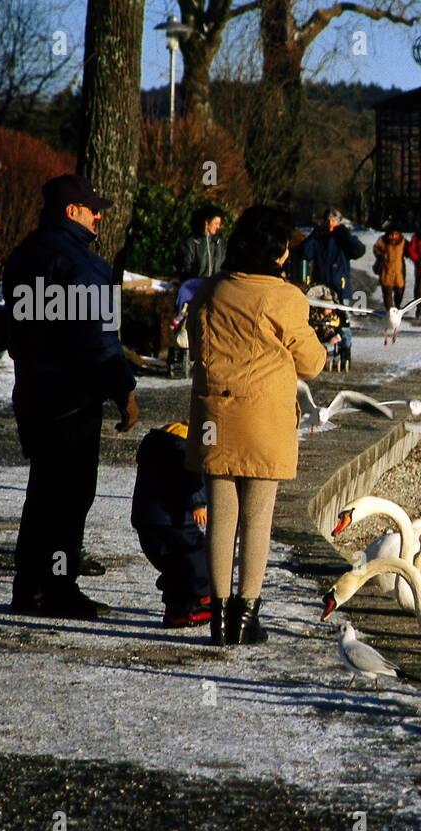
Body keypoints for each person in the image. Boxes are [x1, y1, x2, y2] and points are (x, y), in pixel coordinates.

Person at [186, 206, 327, 646]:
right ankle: (246, 617)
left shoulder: (209, 292)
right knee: (257, 518)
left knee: (221, 516)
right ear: (276, 250)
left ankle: (219, 620)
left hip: (216, 415)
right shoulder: (285, 298)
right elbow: (314, 363)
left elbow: (195, 347)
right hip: (265, 419)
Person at [4, 173, 138, 617]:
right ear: (71, 211)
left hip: (33, 392)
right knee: (70, 497)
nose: (99, 214)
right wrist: (123, 388)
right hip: (73, 399)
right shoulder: (85, 266)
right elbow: (98, 338)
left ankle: (30, 587)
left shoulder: (22, 257)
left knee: (43, 492)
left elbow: (17, 331)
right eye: (92, 208)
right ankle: (59, 588)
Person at [132, 422, 211, 628]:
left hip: (146, 522)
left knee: (173, 568)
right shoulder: (182, 448)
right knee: (197, 557)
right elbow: (192, 477)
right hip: (176, 523)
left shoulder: (153, 447)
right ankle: (201, 602)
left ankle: (176, 612)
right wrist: (198, 504)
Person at [298, 208, 365, 304]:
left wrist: (348, 237)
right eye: (327, 221)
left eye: (333, 221)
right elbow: (305, 254)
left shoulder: (344, 239)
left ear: (338, 222)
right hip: (319, 288)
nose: (330, 224)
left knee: (342, 316)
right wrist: (312, 236)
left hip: (340, 289)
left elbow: (358, 252)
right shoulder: (319, 239)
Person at [178, 204, 227, 280]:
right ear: (207, 222)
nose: (218, 227)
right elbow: (185, 268)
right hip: (195, 287)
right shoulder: (190, 242)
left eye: (219, 224)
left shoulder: (220, 243)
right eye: (216, 223)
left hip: (215, 288)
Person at [372, 225, 408, 311]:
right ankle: (389, 311)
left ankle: (397, 307)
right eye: (392, 234)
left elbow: (410, 250)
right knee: (387, 292)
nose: (394, 236)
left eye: (396, 234)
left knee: (399, 291)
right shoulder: (383, 240)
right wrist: (381, 255)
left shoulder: (403, 241)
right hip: (386, 271)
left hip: (399, 272)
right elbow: (375, 248)